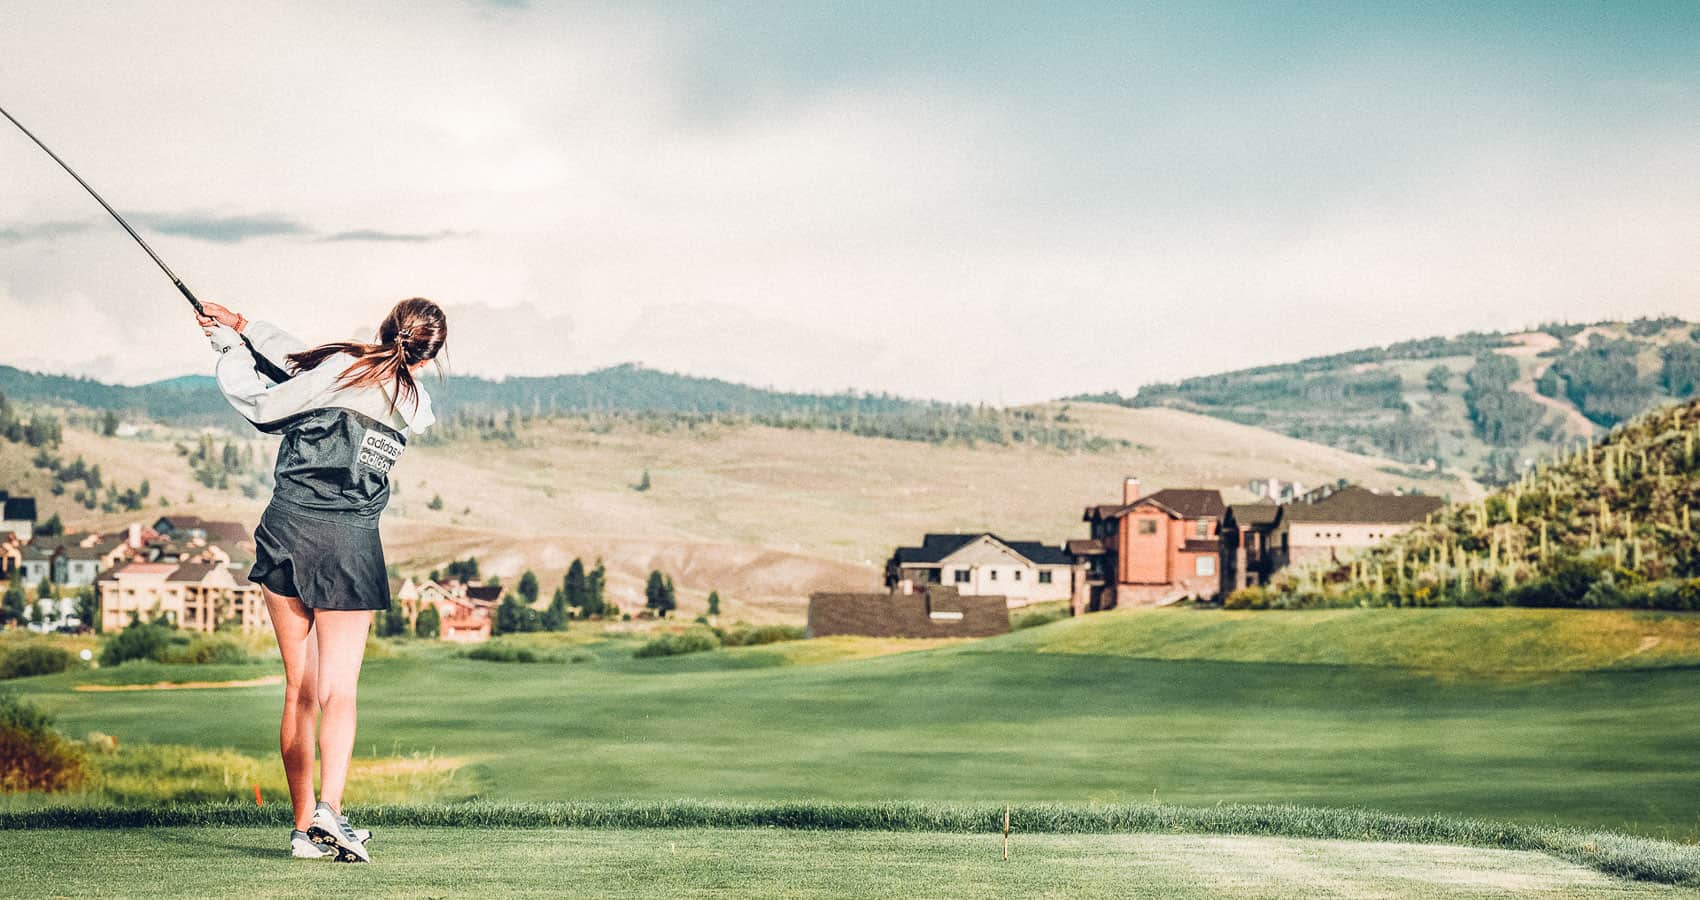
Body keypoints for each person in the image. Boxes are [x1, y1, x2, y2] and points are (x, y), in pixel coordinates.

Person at [199, 298, 445, 862]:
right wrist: (243, 326)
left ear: (384, 328)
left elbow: (269, 399)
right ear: (429, 357)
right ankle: (329, 816)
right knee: (339, 690)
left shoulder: (338, 367)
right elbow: (304, 363)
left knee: (300, 690)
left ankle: (303, 826)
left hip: (287, 531)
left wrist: (230, 345)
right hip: (349, 546)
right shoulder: (414, 403)